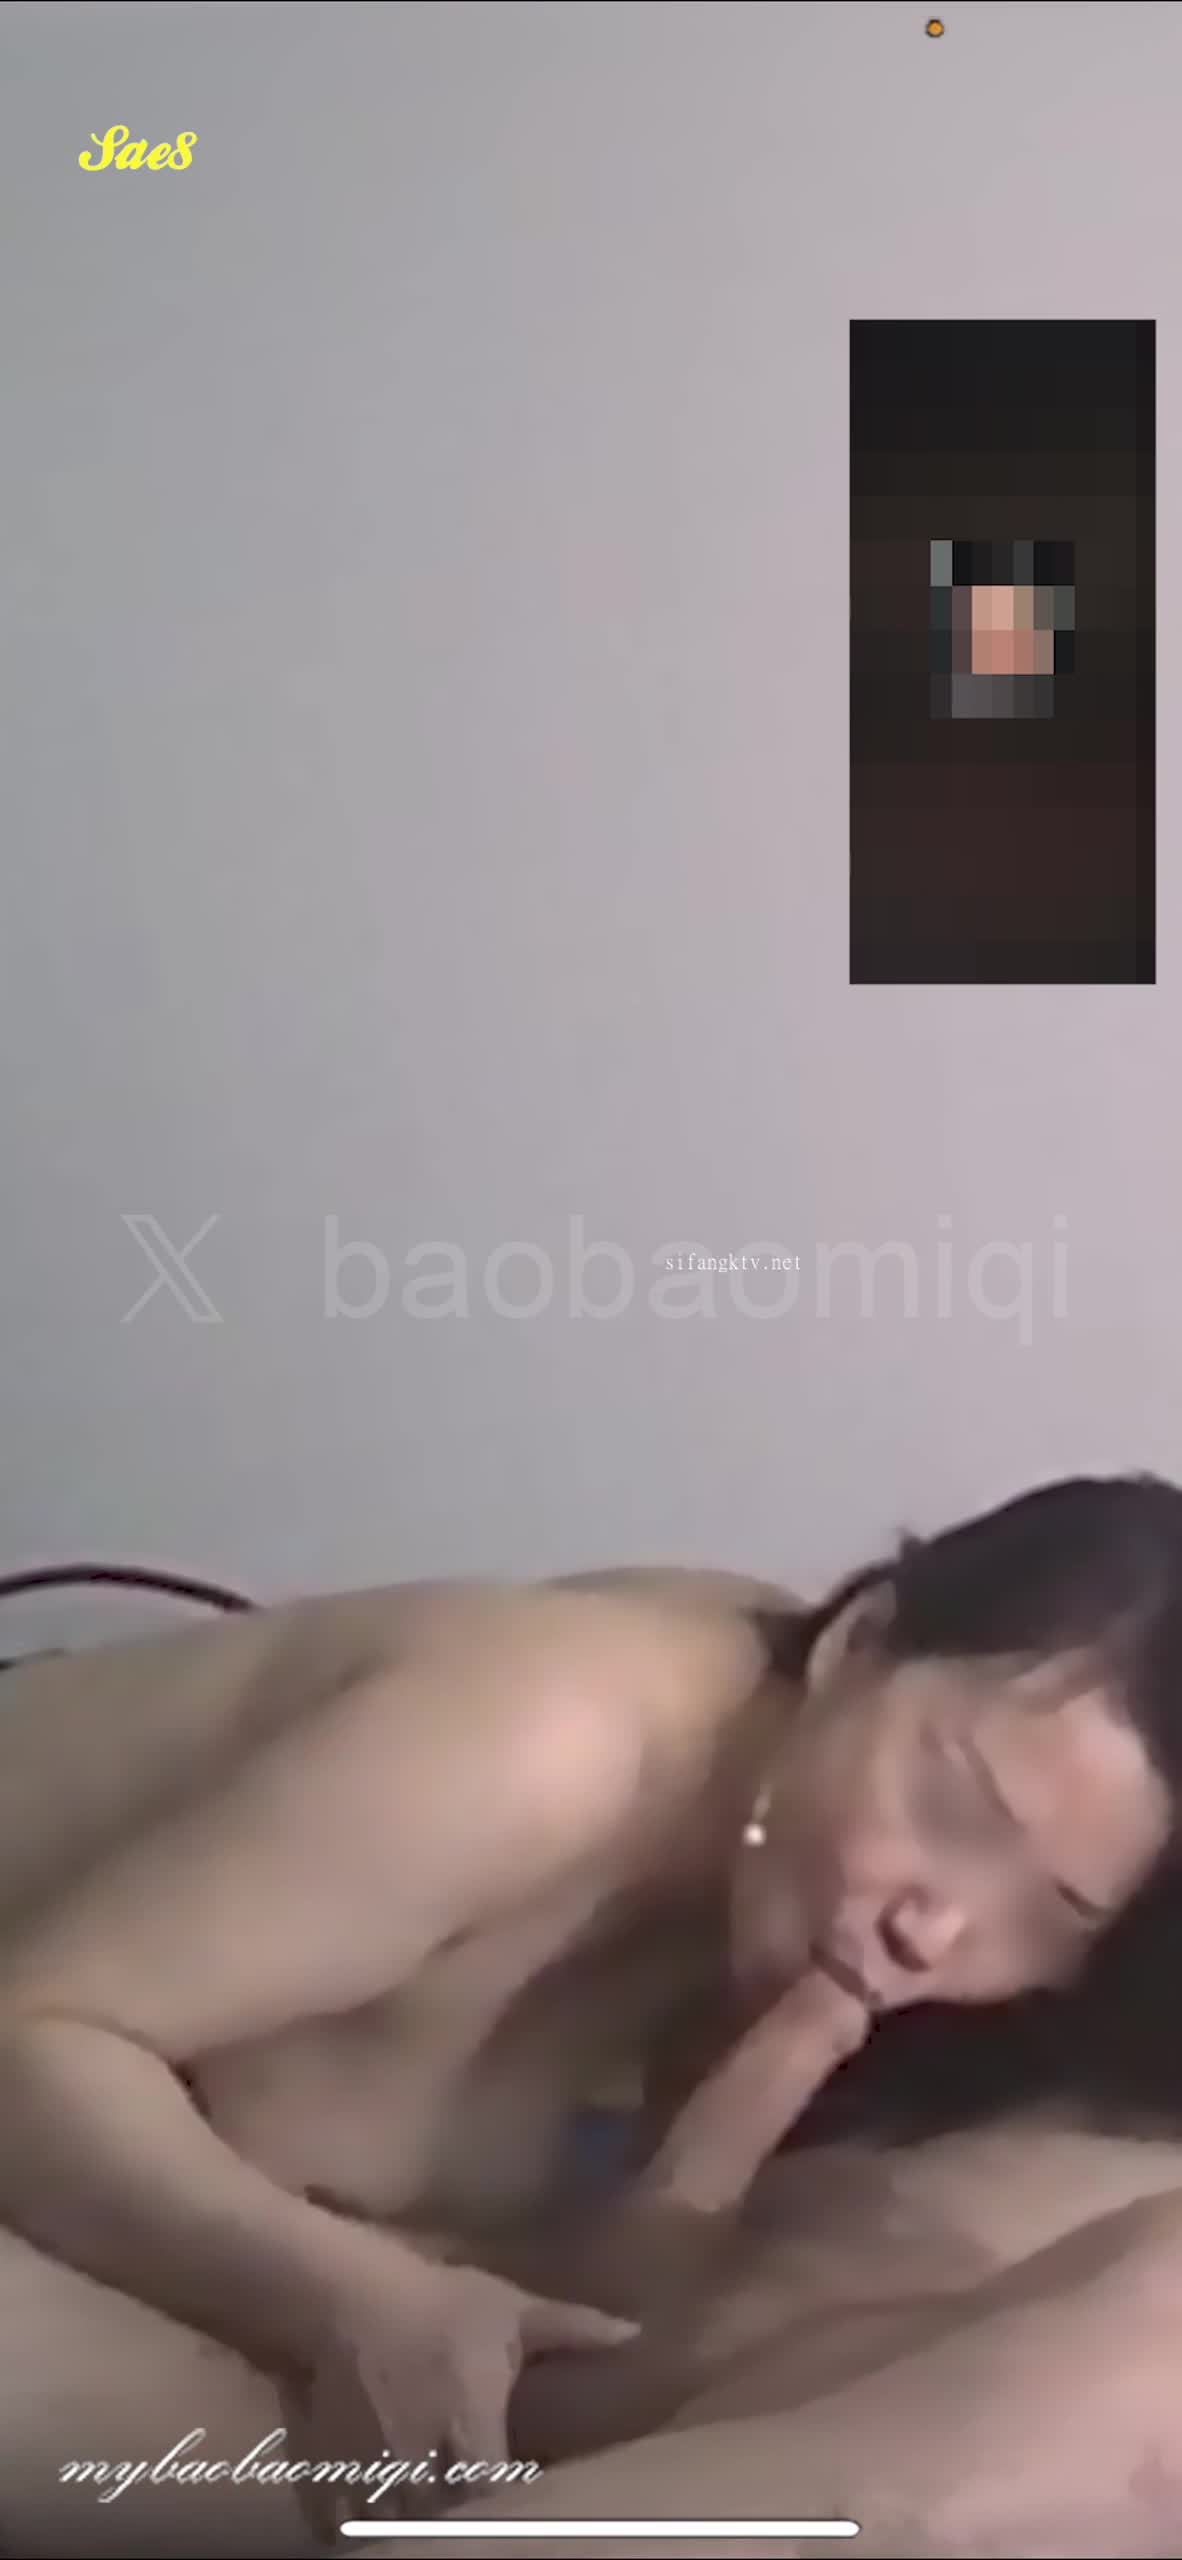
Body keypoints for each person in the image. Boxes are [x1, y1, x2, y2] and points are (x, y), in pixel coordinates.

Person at [0, 1475, 1181, 2550]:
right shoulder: (542, 1742)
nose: (940, 1927)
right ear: (858, 1640)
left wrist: (761, 2082)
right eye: (955, 1806)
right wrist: (350, 2302)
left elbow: (600, 2324)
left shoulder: (806, 1917)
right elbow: (30, 2037)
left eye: (1053, 1913)